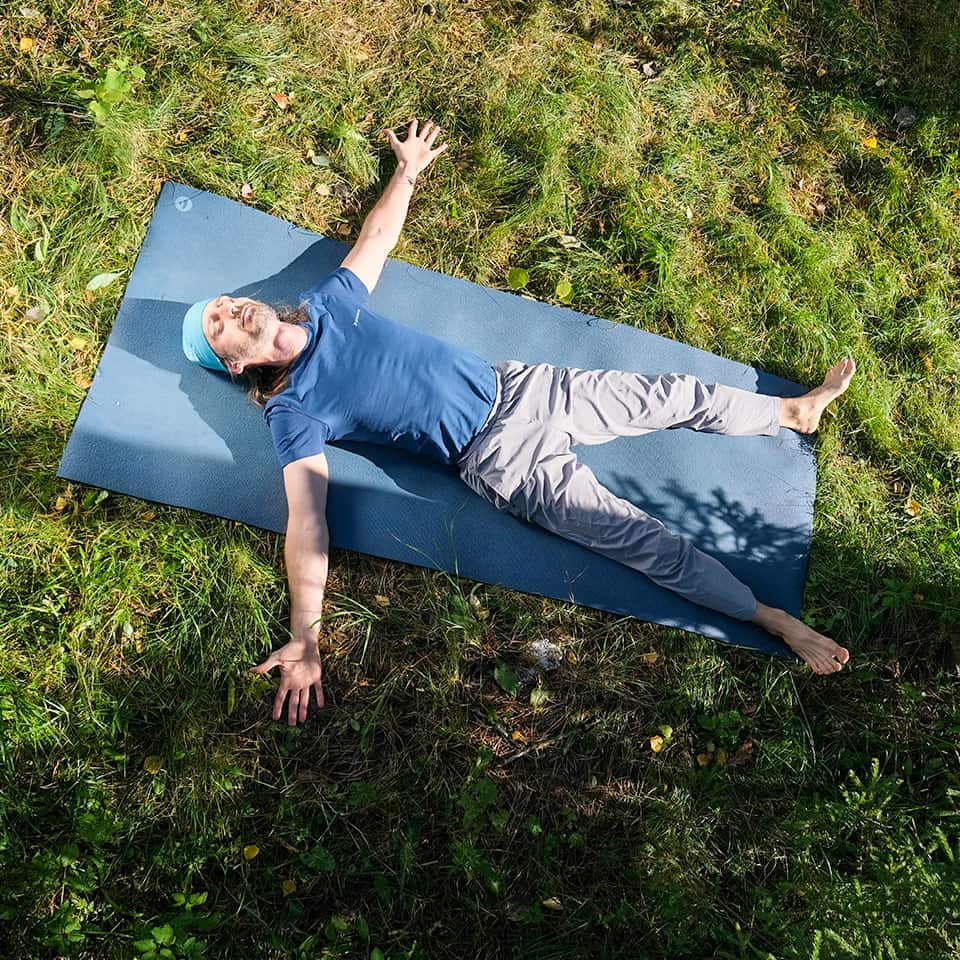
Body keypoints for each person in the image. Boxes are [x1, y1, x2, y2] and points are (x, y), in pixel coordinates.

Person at [181, 118, 854, 726]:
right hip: (503, 460)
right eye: (217, 325)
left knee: (673, 394)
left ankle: (791, 412)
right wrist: (306, 633)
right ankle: (771, 619)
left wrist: (406, 171)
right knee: (643, 542)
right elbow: (307, 521)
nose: (230, 310)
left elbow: (375, 242)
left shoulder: (324, 303)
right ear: (234, 364)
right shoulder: (292, 411)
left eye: (224, 302)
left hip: (524, 387)